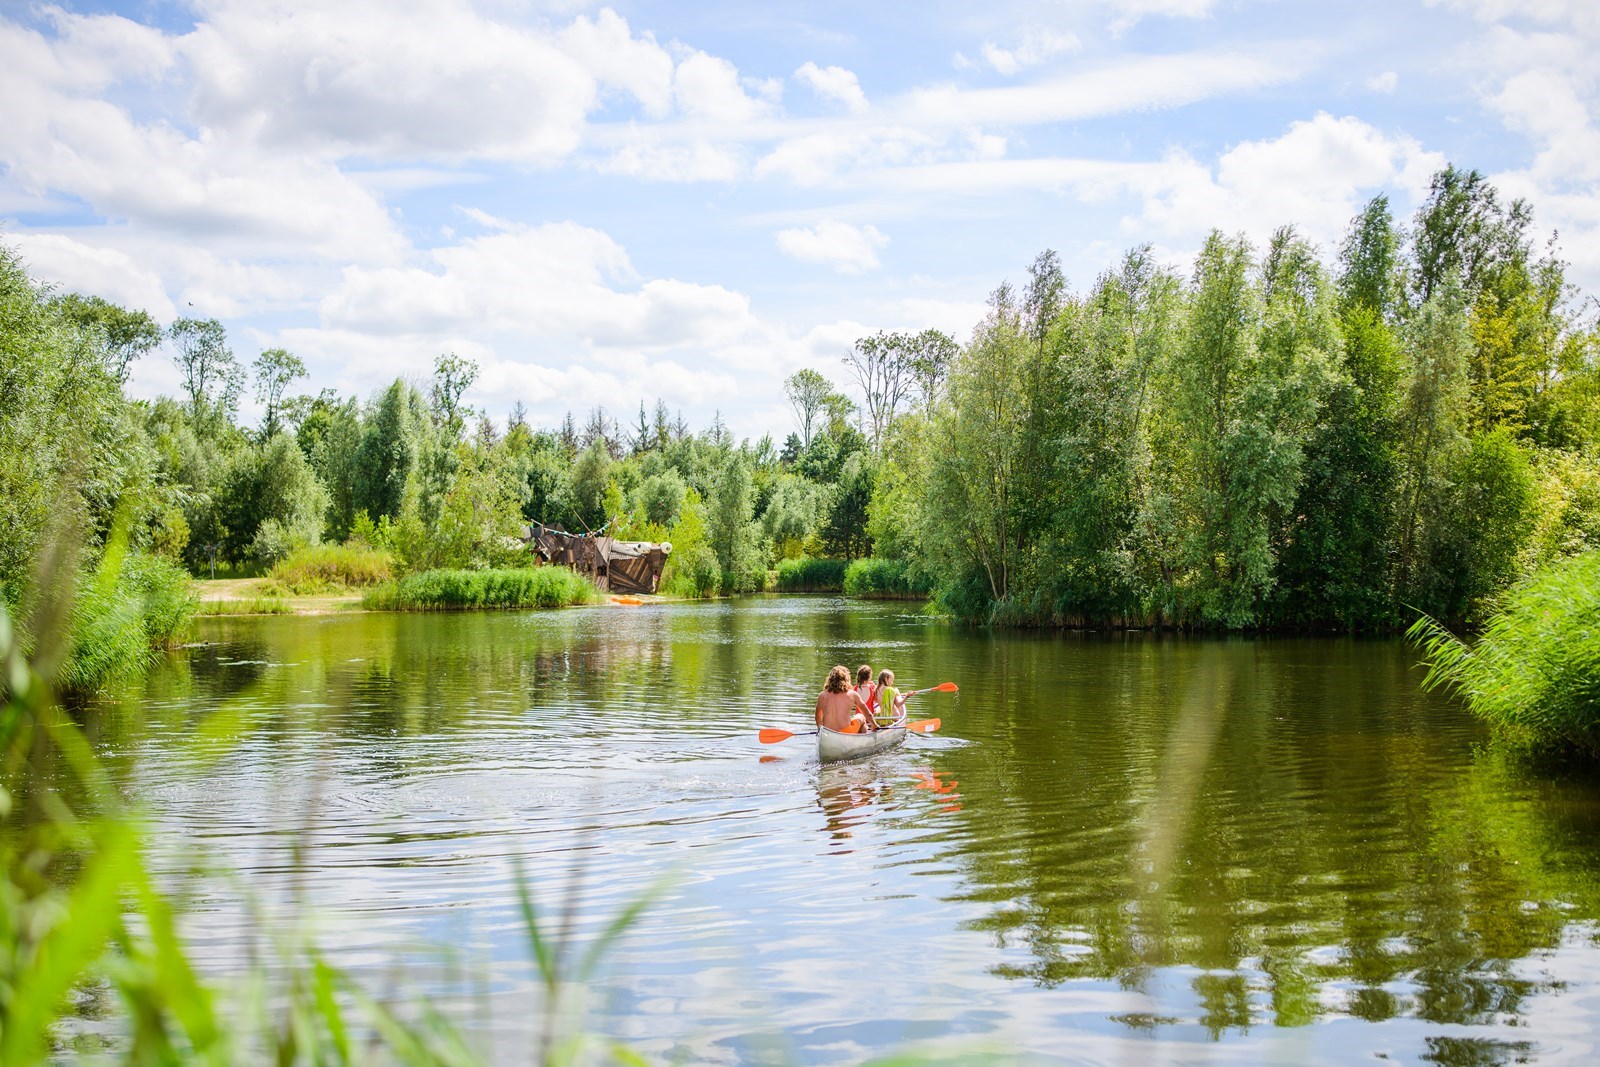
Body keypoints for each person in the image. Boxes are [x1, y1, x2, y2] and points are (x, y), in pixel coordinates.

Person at [817, 664, 873, 733]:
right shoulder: (852, 694)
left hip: (827, 731)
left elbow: (818, 718)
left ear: (830, 679)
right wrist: (874, 725)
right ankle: (860, 740)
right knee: (861, 716)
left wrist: (820, 729)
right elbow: (868, 714)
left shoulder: (821, 695)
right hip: (845, 731)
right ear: (846, 679)